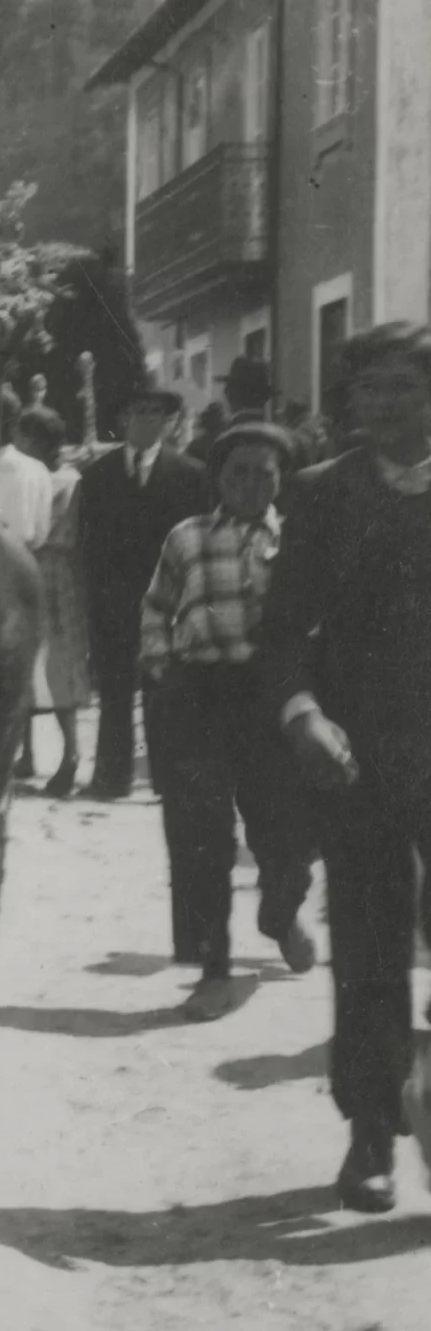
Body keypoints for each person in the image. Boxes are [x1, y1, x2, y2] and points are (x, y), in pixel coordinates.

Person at [254, 321, 431, 1213]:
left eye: (402, 384)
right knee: (367, 951)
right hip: (356, 760)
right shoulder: (323, 494)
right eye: (369, 389)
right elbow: (281, 632)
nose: (385, 403)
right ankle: (372, 1134)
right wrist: (304, 716)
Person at [137, 421, 316, 1023]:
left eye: (263, 473)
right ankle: (214, 968)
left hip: (271, 696)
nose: (249, 484)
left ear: (279, 480)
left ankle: (281, 911)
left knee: (285, 829)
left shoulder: (296, 540)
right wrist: (160, 665)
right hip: (198, 696)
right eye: (237, 472)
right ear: (218, 478)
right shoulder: (186, 537)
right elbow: (157, 607)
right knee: (200, 836)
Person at [76, 387, 207, 799]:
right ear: (125, 419)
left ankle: (167, 779)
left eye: (155, 413)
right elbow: (88, 544)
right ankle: (112, 777)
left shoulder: (190, 474)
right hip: (114, 602)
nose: (146, 420)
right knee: (114, 690)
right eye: (138, 412)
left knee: (164, 690)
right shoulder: (98, 475)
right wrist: (93, 599)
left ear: (168, 422)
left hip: (168, 602)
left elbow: (196, 544)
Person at [17, 408, 90, 797]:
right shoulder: (58, 476)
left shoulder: (57, 479)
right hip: (48, 569)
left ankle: (68, 754)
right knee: (36, 661)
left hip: (47, 568)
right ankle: (30, 751)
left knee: (52, 662)